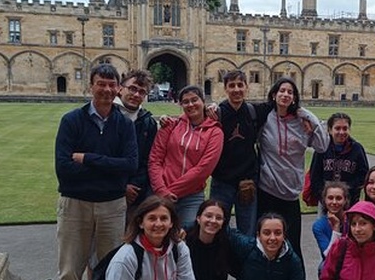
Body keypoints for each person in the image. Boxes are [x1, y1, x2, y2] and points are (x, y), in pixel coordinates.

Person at [52, 63, 138, 280]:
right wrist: (107, 168)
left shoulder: (124, 124)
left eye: (111, 85)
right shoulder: (72, 121)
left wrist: (88, 159)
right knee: (70, 270)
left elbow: (129, 164)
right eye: (101, 84)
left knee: (110, 272)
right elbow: (63, 169)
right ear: (91, 86)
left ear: (117, 89)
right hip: (75, 204)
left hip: (112, 206)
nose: (106, 89)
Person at [257, 77, 329, 259]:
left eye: (290, 92)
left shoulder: (301, 121)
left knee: (292, 245)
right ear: (274, 94)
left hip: (290, 194)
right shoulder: (264, 117)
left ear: (295, 98)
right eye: (282, 91)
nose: (285, 95)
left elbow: (322, 146)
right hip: (267, 190)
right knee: (266, 243)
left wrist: (307, 116)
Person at [148, 85, 224, 230]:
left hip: (191, 196)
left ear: (203, 101)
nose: (191, 104)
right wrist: (162, 190)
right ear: (180, 104)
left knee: (187, 236)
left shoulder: (215, 132)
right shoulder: (171, 125)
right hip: (161, 191)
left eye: (194, 100)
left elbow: (203, 169)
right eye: (185, 101)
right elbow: (155, 160)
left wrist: (171, 191)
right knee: (158, 234)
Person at [209, 70, 269, 235]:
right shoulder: (216, 113)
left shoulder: (254, 111)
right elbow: (190, 117)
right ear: (225, 89)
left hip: (247, 182)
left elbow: (282, 103)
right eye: (232, 86)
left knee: (247, 231)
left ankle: (244, 261)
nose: (236, 90)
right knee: (216, 229)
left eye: (240, 85)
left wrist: (306, 119)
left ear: (246, 87)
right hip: (222, 182)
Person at [115, 69, 159, 218]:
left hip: (136, 193)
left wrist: (134, 187)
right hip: (106, 192)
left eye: (142, 92)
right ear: (120, 89)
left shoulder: (148, 122)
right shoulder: (106, 114)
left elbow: (148, 160)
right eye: (132, 89)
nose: (136, 95)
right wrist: (121, 187)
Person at [308, 112, 369, 209]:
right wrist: (323, 195)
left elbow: (363, 175)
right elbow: (314, 175)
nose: (341, 132)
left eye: (345, 128)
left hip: (350, 201)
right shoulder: (322, 148)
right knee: (324, 224)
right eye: (337, 128)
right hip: (326, 202)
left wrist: (347, 188)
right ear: (330, 130)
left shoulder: (357, 149)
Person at [312, 181, 350, 265]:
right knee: (322, 267)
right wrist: (336, 227)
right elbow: (329, 255)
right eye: (330, 198)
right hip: (332, 263)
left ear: (345, 200)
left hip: (352, 260)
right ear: (324, 200)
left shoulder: (353, 219)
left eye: (339, 198)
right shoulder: (319, 225)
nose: (334, 202)